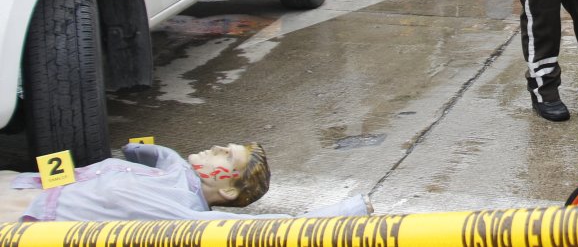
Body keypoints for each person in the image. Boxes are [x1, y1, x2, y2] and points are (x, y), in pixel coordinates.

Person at [0, 142, 370, 222]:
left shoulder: (184, 216)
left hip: (20, 220)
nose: (218, 147)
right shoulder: (167, 166)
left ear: (228, 190)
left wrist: (353, 207)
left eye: (228, 156)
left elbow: (275, 230)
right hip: (19, 185)